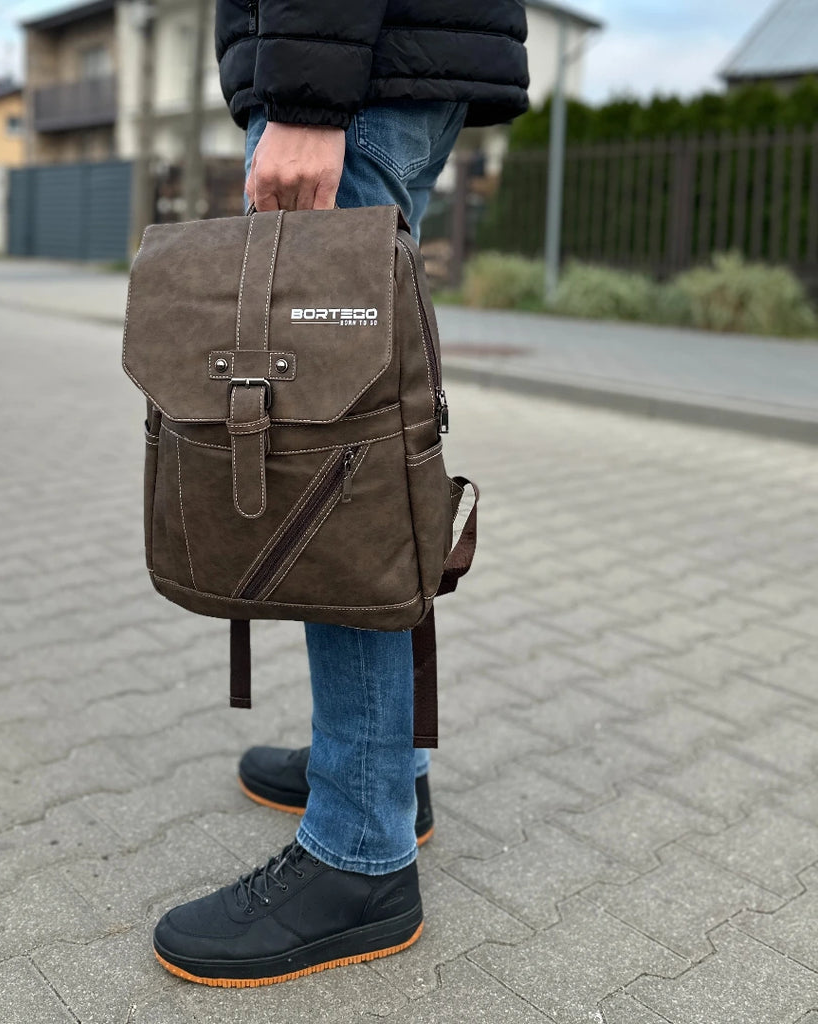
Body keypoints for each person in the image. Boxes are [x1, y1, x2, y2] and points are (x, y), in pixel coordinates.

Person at [152, 0, 529, 988]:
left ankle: (361, 851)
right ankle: (382, 770)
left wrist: (309, 99)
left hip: (349, 80)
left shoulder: (328, 102)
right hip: (389, 62)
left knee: (338, 456)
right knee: (364, 435)